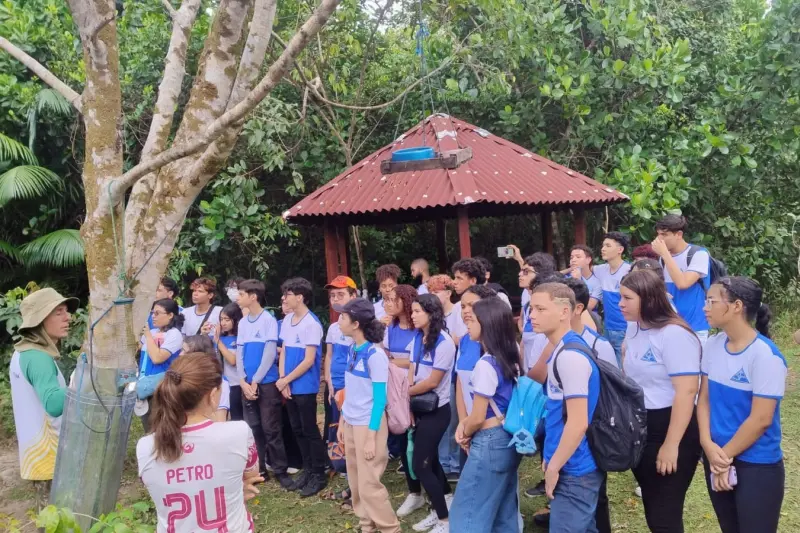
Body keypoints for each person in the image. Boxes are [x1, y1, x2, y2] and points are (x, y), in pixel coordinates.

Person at [699, 277, 786, 533]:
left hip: (756, 463)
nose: (705, 307)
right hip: (716, 455)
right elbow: (703, 400)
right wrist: (707, 444)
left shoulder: (766, 356)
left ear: (736, 306)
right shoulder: (713, 345)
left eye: (711, 301)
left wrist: (723, 458)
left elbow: (761, 420)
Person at [137, 352, 261, 533]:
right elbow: (251, 475)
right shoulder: (239, 433)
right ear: (213, 395)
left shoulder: (145, 447)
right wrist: (234, 491)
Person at [619, 269, 702, 533]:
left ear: (648, 299)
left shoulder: (674, 334)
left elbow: (687, 391)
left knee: (664, 514)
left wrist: (671, 444)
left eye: (627, 298)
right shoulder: (634, 327)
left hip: (670, 426)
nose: (620, 304)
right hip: (641, 425)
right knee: (653, 505)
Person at [529, 282, 602, 533]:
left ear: (564, 312)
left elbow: (578, 422)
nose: (532, 315)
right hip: (569, 463)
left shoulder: (570, 356)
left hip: (575, 469)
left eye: (540, 309)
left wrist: (554, 466)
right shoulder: (561, 348)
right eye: (531, 308)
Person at [450, 297, 521, 532]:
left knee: (468, 512)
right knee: (503, 509)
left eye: (472, 320)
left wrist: (464, 431)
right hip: (507, 436)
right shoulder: (511, 354)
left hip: (489, 439)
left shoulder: (485, 364)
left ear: (487, 324)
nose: (467, 324)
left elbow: (478, 416)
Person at [335, 298, 402, 533]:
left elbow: (380, 400)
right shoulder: (352, 349)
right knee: (355, 481)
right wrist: (342, 421)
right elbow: (351, 391)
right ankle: (366, 525)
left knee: (369, 484)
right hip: (351, 421)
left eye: (343, 317)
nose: (339, 321)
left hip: (368, 425)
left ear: (356, 324)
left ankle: (390, 528)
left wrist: (372, 437)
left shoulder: (375, 355)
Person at [10, 288, 77, 509]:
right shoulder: (38, 358)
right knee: (60, 518)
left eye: (66, 311)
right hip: (51, 457)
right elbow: (54, 404)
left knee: (49, 518)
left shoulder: (23, 352)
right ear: (39, 320)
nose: (68, 318)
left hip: (40, 456)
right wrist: (81, 382)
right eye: (59, 312)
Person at [396, 294, 456, 533]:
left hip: (436, 410)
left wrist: (405, 394)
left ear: (432, 313)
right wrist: (408, 401)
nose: (412, 315)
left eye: (417, 311)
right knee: (430, 460)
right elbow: (411, 371)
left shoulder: (444, 342)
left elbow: (433, 381)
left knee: (421, 465)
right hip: (418, 406)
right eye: (412, 311)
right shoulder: (417, 339)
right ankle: (444, 501)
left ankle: (444, 520)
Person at [235, 280, 288, 488]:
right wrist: (242, 380)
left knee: (271, 427)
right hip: (247, 383)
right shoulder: (242, 322)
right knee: (254, 427)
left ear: (253, 296)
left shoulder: (268, 320)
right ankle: (260, 469)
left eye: (241, 294)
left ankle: (280, 469)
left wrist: (256, 380)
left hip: (265, 382)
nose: (238, 298)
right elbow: (239, 351)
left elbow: (269, 353)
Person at [278, 277, 327, 497]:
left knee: (309, 429)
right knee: (297, 428)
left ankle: (319, 473)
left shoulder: (311, 324)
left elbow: (308, 360)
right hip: (287, 383)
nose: (284, 298)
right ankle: (308, 469)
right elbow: (284, 351)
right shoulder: (288, 320)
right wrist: (282, 379)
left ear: (300, 297)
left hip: (305, 385)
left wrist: (286, 380)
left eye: (288, 294)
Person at [427, 274, 466, 481]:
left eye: (437, 291)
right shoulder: (432, 315)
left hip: (455, 373)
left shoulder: (458, 310)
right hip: (438, 373)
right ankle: (444, 463)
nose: (433, 295)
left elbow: (462, 339)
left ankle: (453, 463)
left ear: (449, 293)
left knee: (453, 420)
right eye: (430, 291)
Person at [323, 275, 358, 501]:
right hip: (334, 386)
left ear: (353, 296)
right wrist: (328, 382)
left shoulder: (359, 326)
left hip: (351, 387)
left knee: (352, 430)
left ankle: (356, 476)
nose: (336, 299)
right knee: (338, 427)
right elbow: (329, 356)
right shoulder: (334, 327)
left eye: (341, 294)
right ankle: (344, 468)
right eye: (333, 295)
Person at [651, 215, 711, 345]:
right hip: (670, 325)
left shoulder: (699, 254)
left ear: (679, 234)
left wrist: (664, 254)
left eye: (664, 235)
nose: (659, 239)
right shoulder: (663, 258)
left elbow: (682, 283)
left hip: (695, 327)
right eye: (658, 234)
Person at [383, 284, 419, 462]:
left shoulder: (419, 328)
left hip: (415, 383)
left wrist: (393, 362)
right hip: (396, 385)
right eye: (387, 300)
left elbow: (418, 361)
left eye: (393, 300)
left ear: (405, 301)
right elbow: (383, 356)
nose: (388, 304)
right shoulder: (390, 328)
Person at [139, 298, 185, 432]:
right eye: (152, 313)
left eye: (157, 313)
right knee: (148, 428)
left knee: (160, 428)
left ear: (170, 315)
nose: (153, 316)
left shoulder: (174, 334)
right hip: (146, 385)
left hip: (163, 387)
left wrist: (148, 337)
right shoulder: (152, 332)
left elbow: (157, 358)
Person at [593, 231, 632, 359]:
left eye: (608, 246)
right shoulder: (601, 269)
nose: (603, 249)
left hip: (625, 329)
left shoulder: (629, 271)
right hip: (607, 328)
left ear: (620, 250)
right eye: (603, 245)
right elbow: (584, 269)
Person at [182, 334, 231, 422]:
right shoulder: (181, 378)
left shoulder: (218, 382)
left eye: (184, 351)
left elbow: (220, 420)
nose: (180, 354)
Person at [214, 303, 244, 421]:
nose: (223, 323)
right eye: (221, 319)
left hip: (236, 383)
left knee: (237, 417)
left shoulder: (240, 338)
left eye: (227, 320)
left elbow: (232, 360)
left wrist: (218, 341)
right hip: (222, 384)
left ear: (236, 320)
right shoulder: (219, 338)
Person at [566, 245, 602, 311]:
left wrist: (577, 281)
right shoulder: (566, 278)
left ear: (588, 260)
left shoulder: (597, 282)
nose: (573, 260)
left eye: (578, 257)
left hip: (588, 316)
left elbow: (589, 306)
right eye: (571, 257)